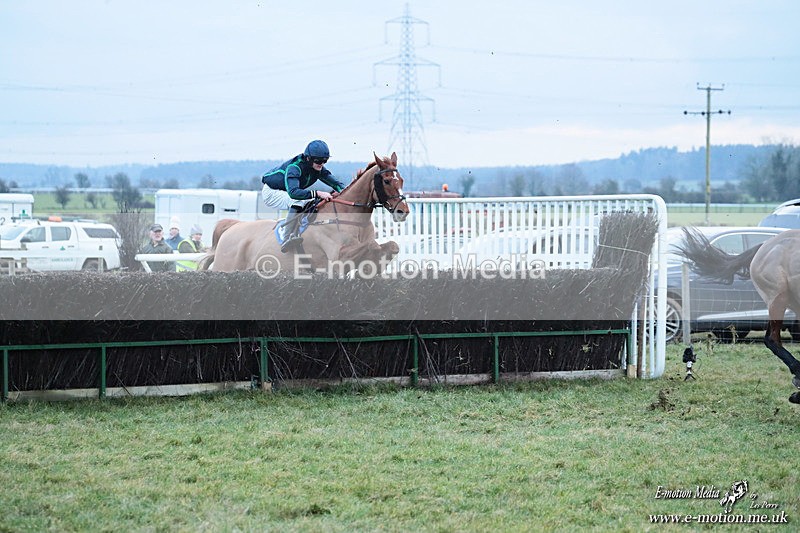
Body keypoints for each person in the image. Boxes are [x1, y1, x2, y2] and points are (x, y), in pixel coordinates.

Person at [261, 139, 345, 252]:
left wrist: (345, 193)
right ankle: (286, 238)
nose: (322, 164)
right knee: (298, 201)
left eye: (325, 160)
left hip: (288, 191)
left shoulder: (317, 167)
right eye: (318, 161)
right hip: (272, 192)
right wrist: (318, 193)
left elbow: (336, 184)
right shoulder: (294, 168)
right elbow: (294, 193)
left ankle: (299, 228)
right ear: (308, 158)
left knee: (311, 202)